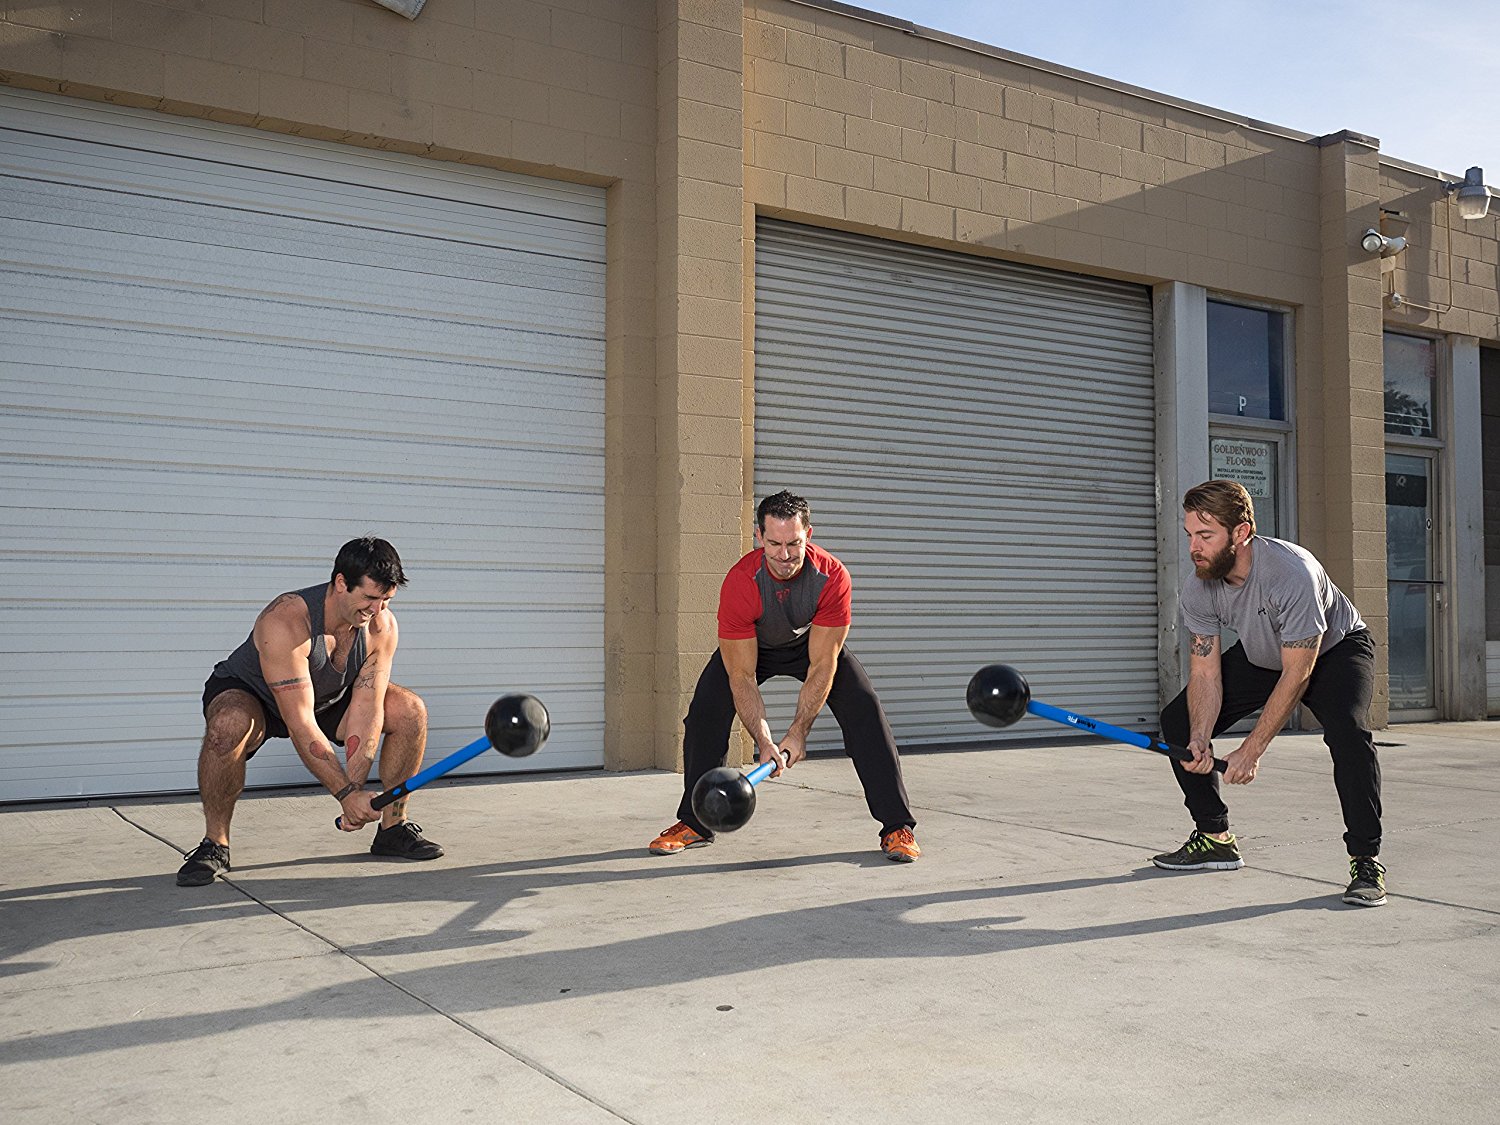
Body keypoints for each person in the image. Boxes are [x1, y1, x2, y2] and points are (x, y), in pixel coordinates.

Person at [648, 490, 920, 862]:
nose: (785, 554)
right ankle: (695, 822)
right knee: (705, 713)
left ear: (809, 534)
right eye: (774, 543)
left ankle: (896, 827)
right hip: (753, 647)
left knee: (865, 709)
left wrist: (798, 731)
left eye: (794, 543)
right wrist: (764, 740)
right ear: (759, 537)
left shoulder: (831, 576)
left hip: (810, 645)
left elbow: (823, 664)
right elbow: (742, 675)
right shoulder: (742, 581)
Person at [1152, 480, 1385, 906]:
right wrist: (1201, 737)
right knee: (1178, 723)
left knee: (1348, 733)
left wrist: (1251, 749)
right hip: (1265, 653)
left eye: (1206, 536)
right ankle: (1215, 837)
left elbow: (1298, 674)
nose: (1193, 548)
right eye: (1190, 535)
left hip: (1334, 649)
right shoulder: (1199, 586)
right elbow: (1205, 673)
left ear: (1240, 533)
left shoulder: (1291, 572)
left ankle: (1365, 860)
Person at [176, 537, 441, 886]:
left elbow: (367, 709)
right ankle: (215, 844)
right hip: (254, 694)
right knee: (227, 726)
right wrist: (345, 795)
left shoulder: (381, 626)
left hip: (325, 696)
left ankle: (392, 828)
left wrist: (356, 794)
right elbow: (300, 722)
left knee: (409, 710)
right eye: (370, 598)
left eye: (386, 600)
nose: (377, 610)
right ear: (341, 583)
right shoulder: (286, 620)